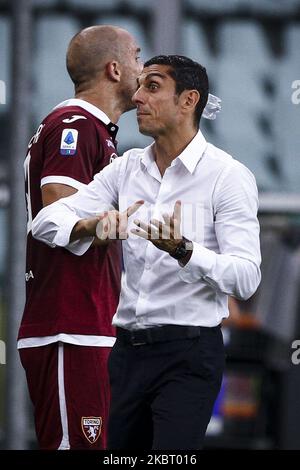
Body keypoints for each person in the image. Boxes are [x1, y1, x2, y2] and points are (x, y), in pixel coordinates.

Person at [32, 55, 261, 450]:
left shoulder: (228, 175)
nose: (137, 97)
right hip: (125, 353)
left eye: (152, 87)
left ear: (189, 101)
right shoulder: (126, 170)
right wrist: (93, 226)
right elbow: (44, 222)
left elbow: (246, 277)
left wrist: (185, 251)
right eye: (138, 86)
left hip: (189, 355)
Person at [17, 25, 143, 450]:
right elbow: (54, 213)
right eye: (137, 57)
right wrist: (101, 225)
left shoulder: (97, 133)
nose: (142, 70)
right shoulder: (76, 126)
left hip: (89, 323)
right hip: (69, 327)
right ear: (114, 69)